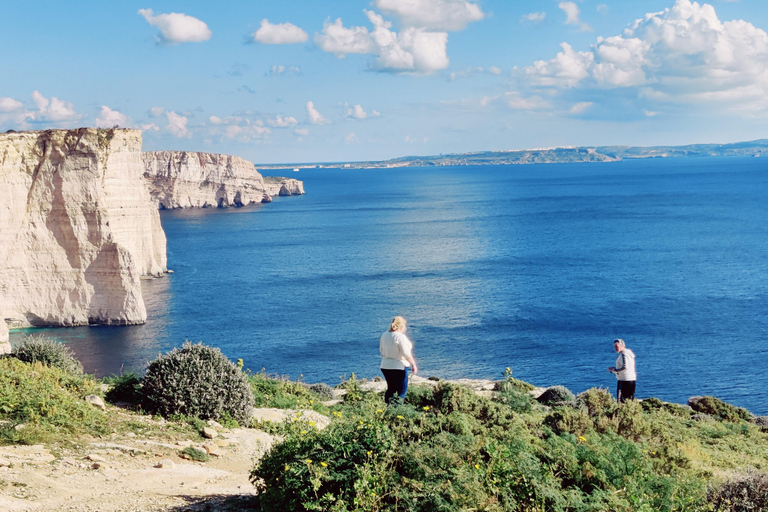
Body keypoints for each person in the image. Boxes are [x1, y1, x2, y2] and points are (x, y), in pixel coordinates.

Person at [379, 316, 418, 404]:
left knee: (391, 389)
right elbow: (406, 353)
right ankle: (398, 410)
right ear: (401, 326)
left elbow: (381, 350)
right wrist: (413, 364)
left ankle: (388, 408)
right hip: (398, 366)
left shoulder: (384, 335)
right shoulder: (400, 337)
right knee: (402, 391)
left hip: (385, 365)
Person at [607, 338, 636, 403]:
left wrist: (614, 370)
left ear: (622, 345)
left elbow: (624, 367)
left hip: (624, 379)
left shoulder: (624, 354)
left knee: (621, 401)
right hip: (631, 379)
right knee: (630, 400)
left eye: (616, 346)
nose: (615, 348)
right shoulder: (630, 353)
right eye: (614, 346)